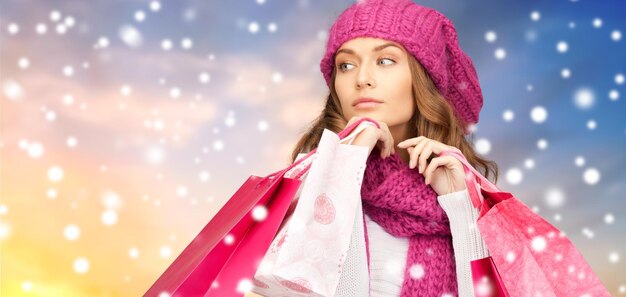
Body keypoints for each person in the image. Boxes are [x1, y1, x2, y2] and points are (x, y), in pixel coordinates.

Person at [285, 0, 500, 296]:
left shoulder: (467, 197)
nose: (362, 80)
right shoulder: (305, 183)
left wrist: (460, 204)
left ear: (423, 79)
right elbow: (295, 286)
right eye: (346, 65)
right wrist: (346, 165)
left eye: (385, 60)